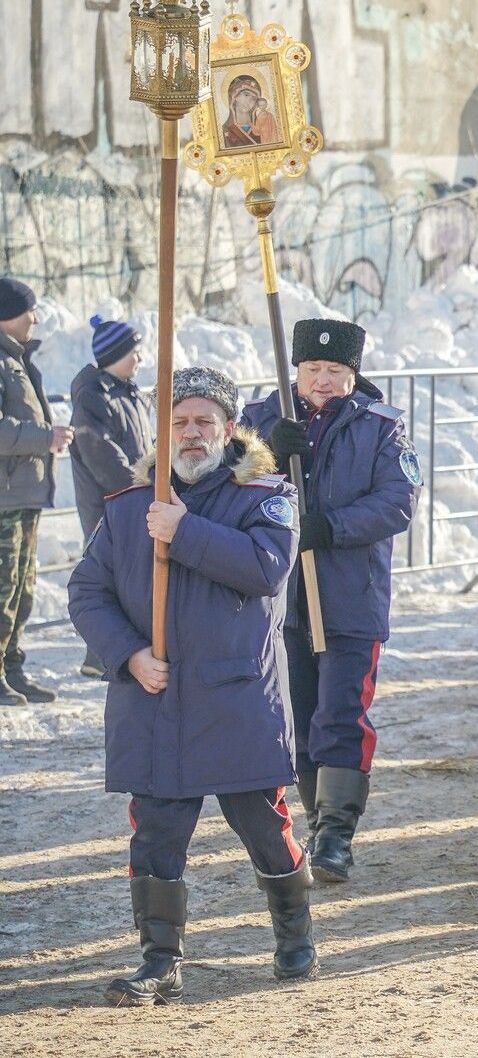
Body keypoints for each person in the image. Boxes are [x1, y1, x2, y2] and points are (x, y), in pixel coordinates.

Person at [69, 366, 313, 1004]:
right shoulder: (127, 508)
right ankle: (159, 960)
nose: (191, 432)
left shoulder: (265, 496)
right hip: (155, 699)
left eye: (205, 420)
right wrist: (128, 655)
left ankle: (294, 934)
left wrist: (183, 532)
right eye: (178, 421)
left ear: (230, 428)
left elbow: (266, 567)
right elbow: (86, 592)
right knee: (155, 834)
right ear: (162, 430)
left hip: (236, 700)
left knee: (263, 824)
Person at [245, 318, 417, 885]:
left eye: (334, 371)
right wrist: (265, 450)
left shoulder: (381, 428)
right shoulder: (259, 420)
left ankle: (337, 832)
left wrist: (329, 526)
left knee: (341, 712)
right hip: (282, 600)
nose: (322, 380)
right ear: (295, 370)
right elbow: (222, 486)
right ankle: (316, 817)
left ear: (353, 374)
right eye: (313, 369)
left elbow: (396, 504)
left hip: (350, 597)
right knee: (296, 714)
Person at [0, 277, 74, 706]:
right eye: (29, 309)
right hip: (6, 500)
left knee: (21, 591)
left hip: (22, 495)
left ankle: (12, 668)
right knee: (2, 590)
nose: (35, 317)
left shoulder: (18, 359)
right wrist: (43, 437)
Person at [69, 315, 155, 679]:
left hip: (135, 498)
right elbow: (102, 455)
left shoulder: (129, 392)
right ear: (114, 354)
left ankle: (107, 652)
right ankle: (100, 653)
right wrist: (140, 487)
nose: (139, 359)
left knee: (132, 579)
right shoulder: (93, 397)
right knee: (108, 578)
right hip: (109, 504)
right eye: (133, 352)